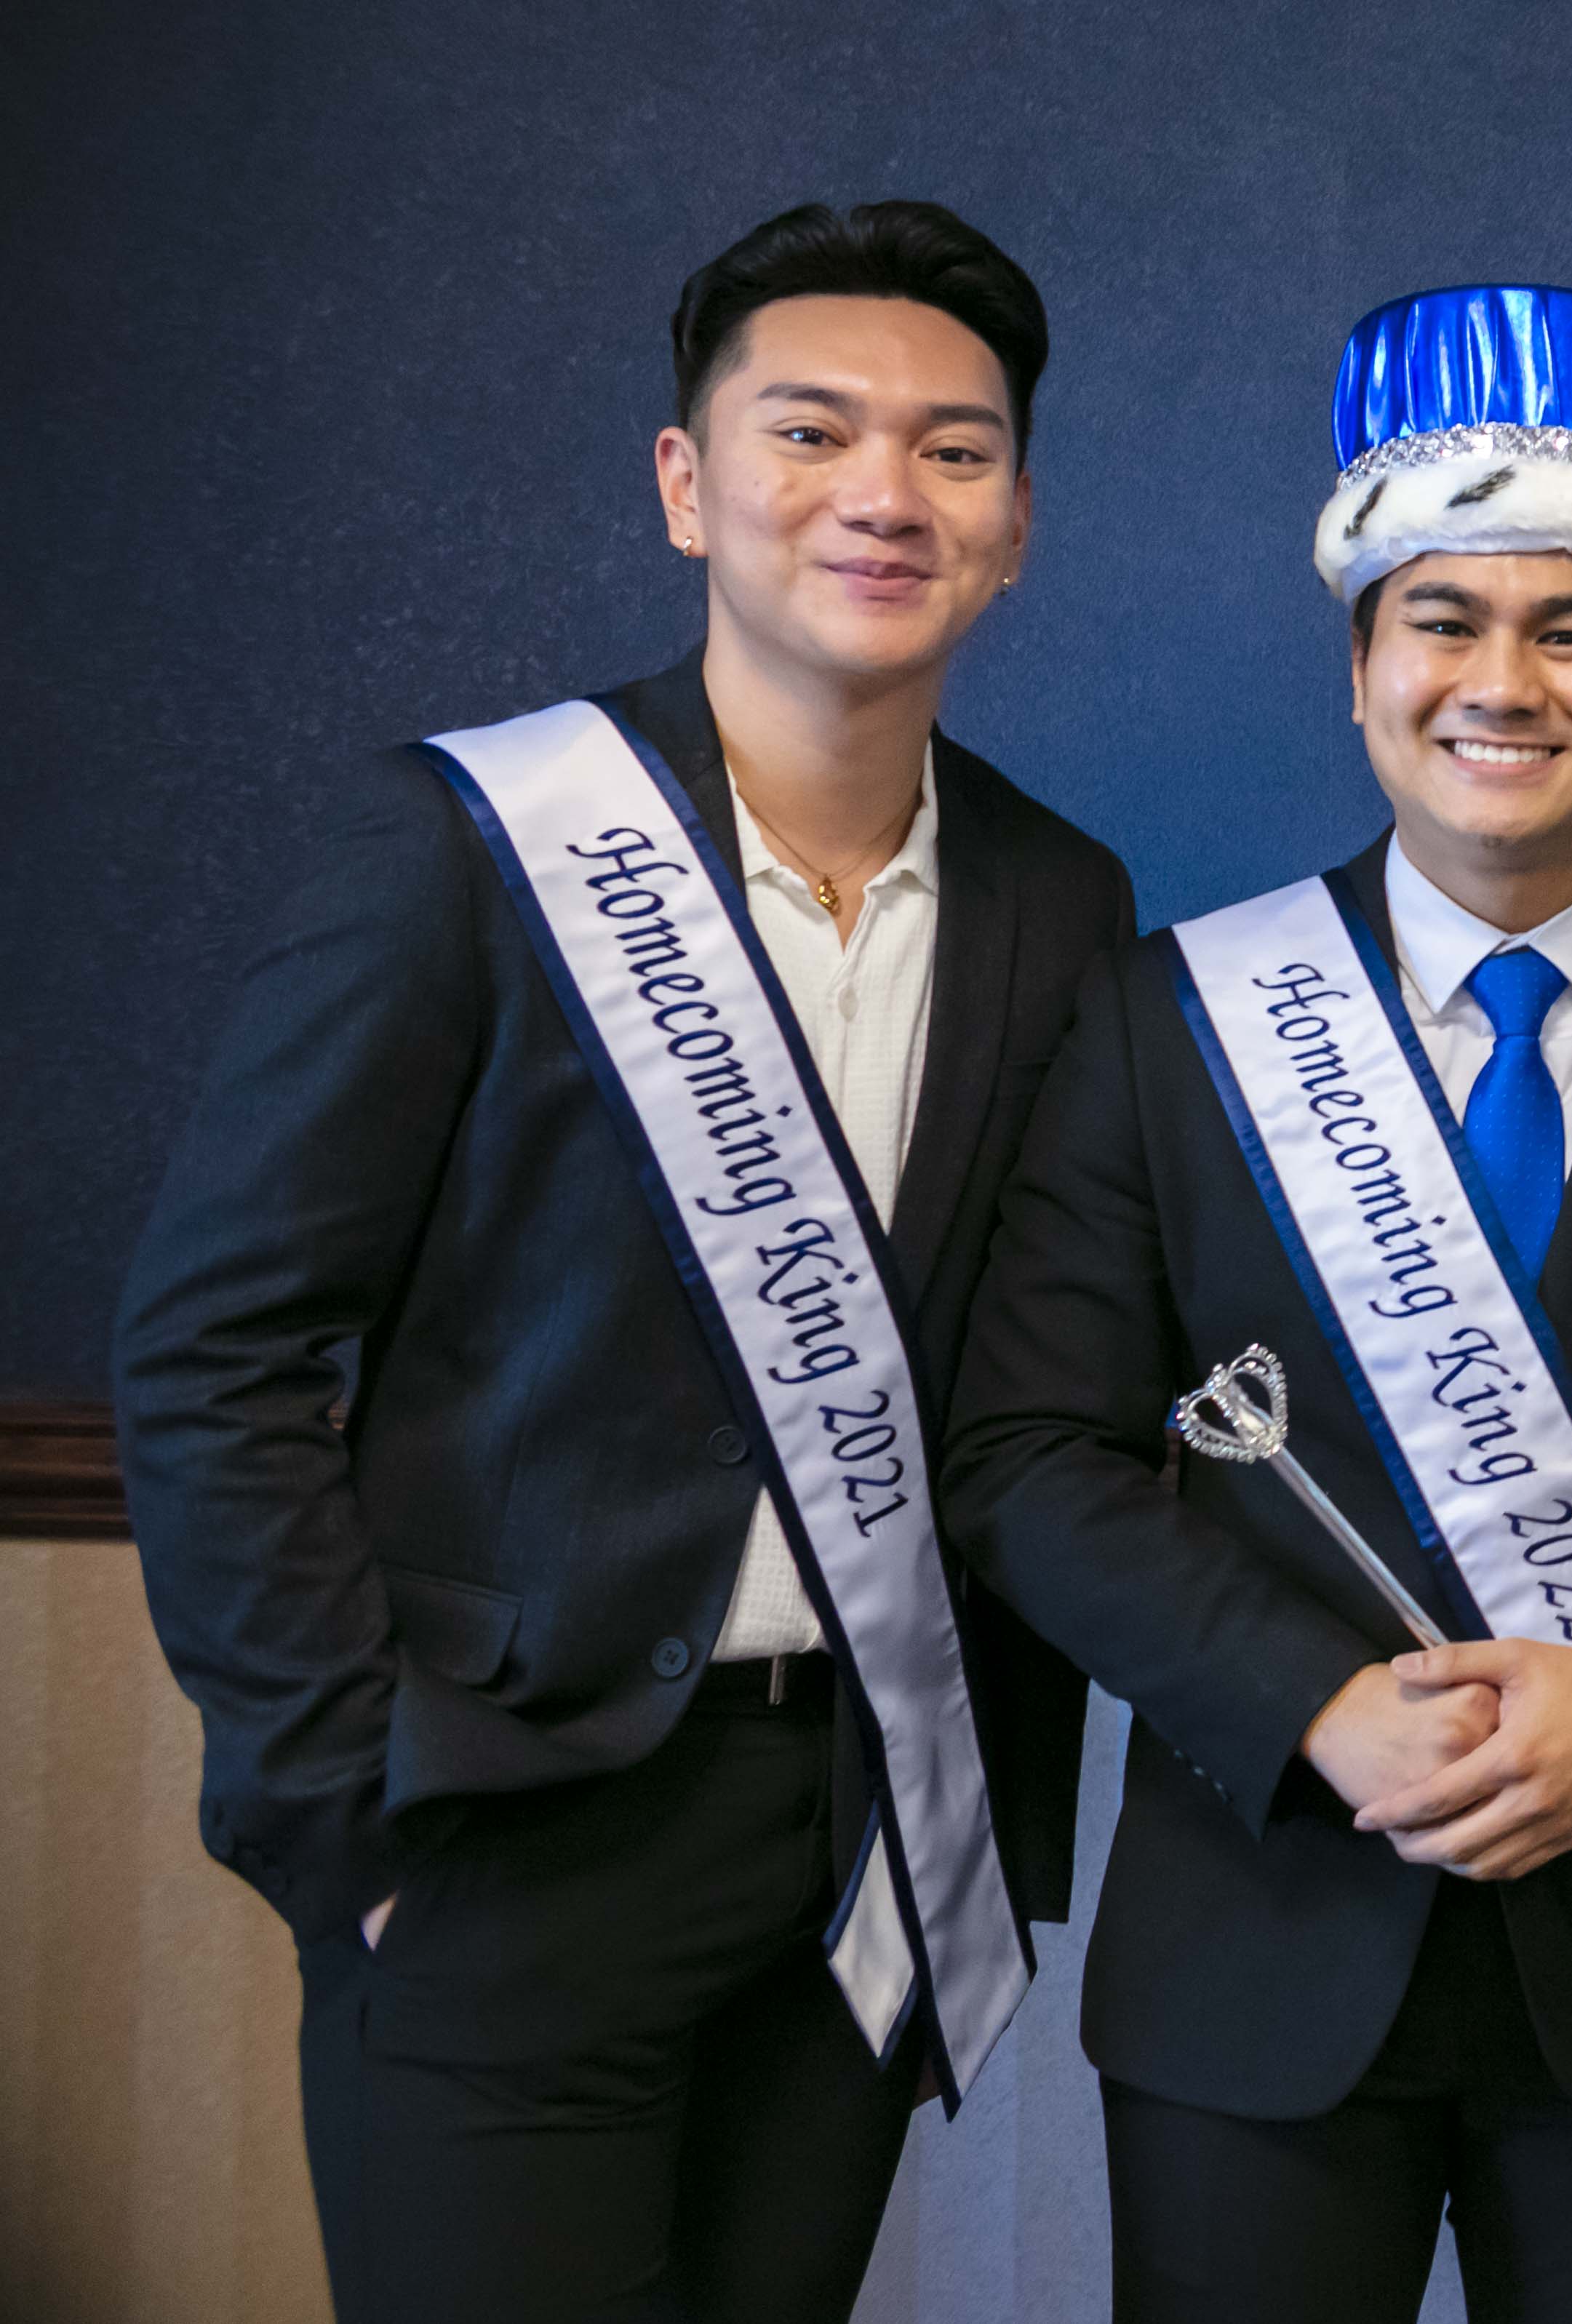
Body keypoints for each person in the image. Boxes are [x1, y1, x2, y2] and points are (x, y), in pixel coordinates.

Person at [112, 199, 1130, 2324]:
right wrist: (342, 1824)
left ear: (1020, 520)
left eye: (956, 449)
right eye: (813, 430)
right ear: (688, 483)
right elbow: (211, 1352)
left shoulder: (1060, 895)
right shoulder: (470, 843)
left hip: (862, 1835)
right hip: (498, 1829)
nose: (884, 492)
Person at [940, 283, 1572, 2324]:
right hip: (1261, 1948)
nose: (1502, 679)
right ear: (1359, 670)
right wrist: (1316, 1704)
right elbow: (1031, 1460)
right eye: (1445, 620)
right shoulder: (1169, 1021)